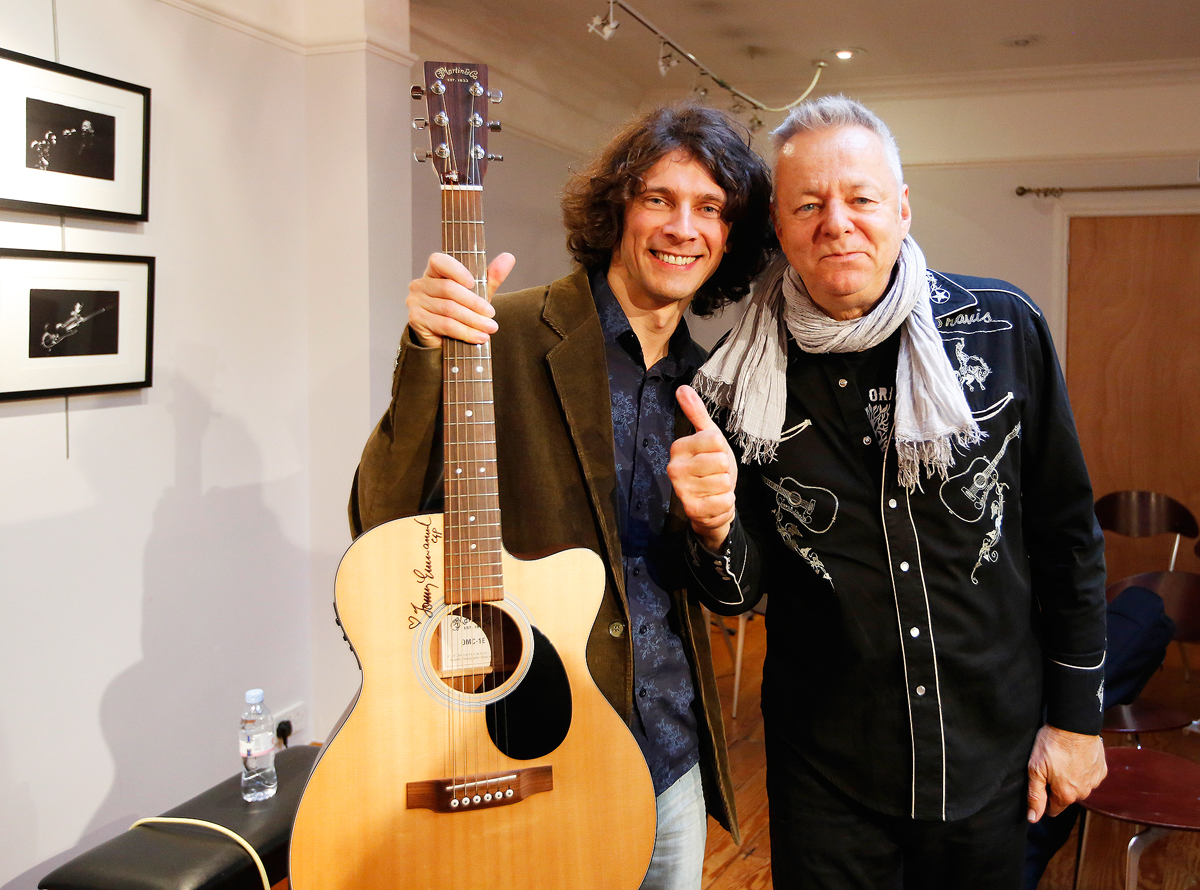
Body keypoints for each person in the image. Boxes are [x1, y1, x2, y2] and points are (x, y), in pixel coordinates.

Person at [668, 95, 1108, 889]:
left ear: (901, 209)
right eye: (808, 205)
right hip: (826, 767)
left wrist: (1077, 721)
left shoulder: (1005, 329)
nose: (836, 223)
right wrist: (712, 529)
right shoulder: (731, 382)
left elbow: (1068, 537)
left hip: (992, 749)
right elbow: (738, 592)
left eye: (861, 198)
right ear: (779, 229)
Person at [349, 103, 773, 889]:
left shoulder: (717, 385)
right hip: (523, 741)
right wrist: (426, 351)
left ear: (729, 237)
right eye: (659, 198)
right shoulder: (501, 332)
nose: (683, 227)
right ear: (617, 209)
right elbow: (381, 517)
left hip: (666, 749)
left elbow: (737, 593)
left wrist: (718, 528)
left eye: (710, 208)